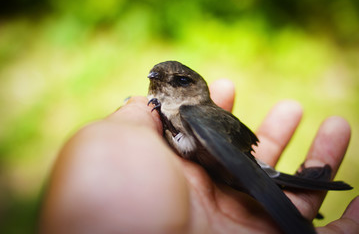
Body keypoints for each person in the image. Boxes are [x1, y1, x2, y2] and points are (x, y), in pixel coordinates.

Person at [39, 79, 358, 233]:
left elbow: (214, 155)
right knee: (261, 180)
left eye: (175, 81)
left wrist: (262, 185)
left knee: (259, 180)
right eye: (158, 78)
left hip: (235, 163)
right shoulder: (172, 109)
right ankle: (291, 187)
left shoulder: (194, 111)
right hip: (229, 170)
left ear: (191, 90)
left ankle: (288, 194)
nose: (158, 82)